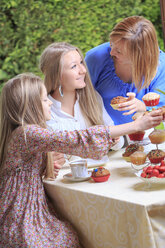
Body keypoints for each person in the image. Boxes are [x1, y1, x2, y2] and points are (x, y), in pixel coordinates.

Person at [0, 73, 163, 247]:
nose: (49, 102)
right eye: (43, 99)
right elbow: (75, 138)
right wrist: (135, 126)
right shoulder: (27, 133)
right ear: (30, 105)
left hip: (29, 207)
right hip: (19, 214)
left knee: (68, 234)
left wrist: (44, 166)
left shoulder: (25, 133)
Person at [39, 42, 124, 167]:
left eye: (81, 63)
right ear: (56, 75)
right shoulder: (42, 109)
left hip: (101, 175)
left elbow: (118, 143)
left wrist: (115, 139)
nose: (83, 70)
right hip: (63, 183)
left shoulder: (93, 98)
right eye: (74, 66)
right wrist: (47, 159)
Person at [85, 15, 165, 125]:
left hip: (146, 137)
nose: (111, 52)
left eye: (119, 51)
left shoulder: (161, 66)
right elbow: (79, 98)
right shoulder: (96, 58)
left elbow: (161, 111)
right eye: (111, 44)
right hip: (105, 135)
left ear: (139, 56)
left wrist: (143, 106)